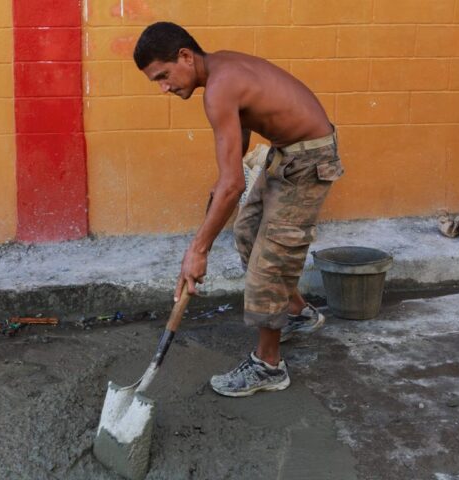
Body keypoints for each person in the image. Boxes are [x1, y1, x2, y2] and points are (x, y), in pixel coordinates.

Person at [133, 22, 344, 397]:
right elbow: (228, 176)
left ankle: (268, 366)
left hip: (308, 160)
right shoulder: (219, 71)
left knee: (270, 261)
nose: (164, 87)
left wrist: (197, 250)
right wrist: (210, 219)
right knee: (247, 233)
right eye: (156, 82)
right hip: (287, 154)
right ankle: (297, 312)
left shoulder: (218, 88)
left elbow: (232, 185)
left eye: (163, 76)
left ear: (185, 56)